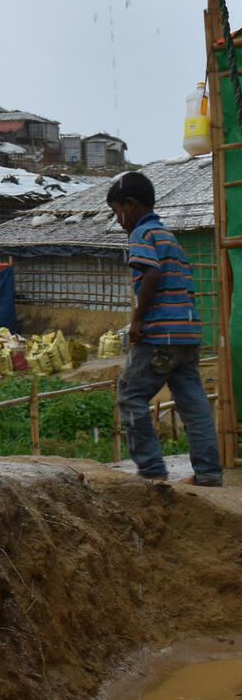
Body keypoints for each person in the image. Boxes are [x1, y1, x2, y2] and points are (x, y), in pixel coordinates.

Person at [106, 170, 223, 486]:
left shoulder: (142, 235)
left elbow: (152, 275)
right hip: (187, 336)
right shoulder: (171, 238)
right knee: (194, 404)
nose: (118, 221)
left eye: (117, 212)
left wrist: (138, 320)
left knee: (130, 394)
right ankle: (209, 473)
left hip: (159, 336)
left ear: (130, 205)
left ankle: (151, 470)